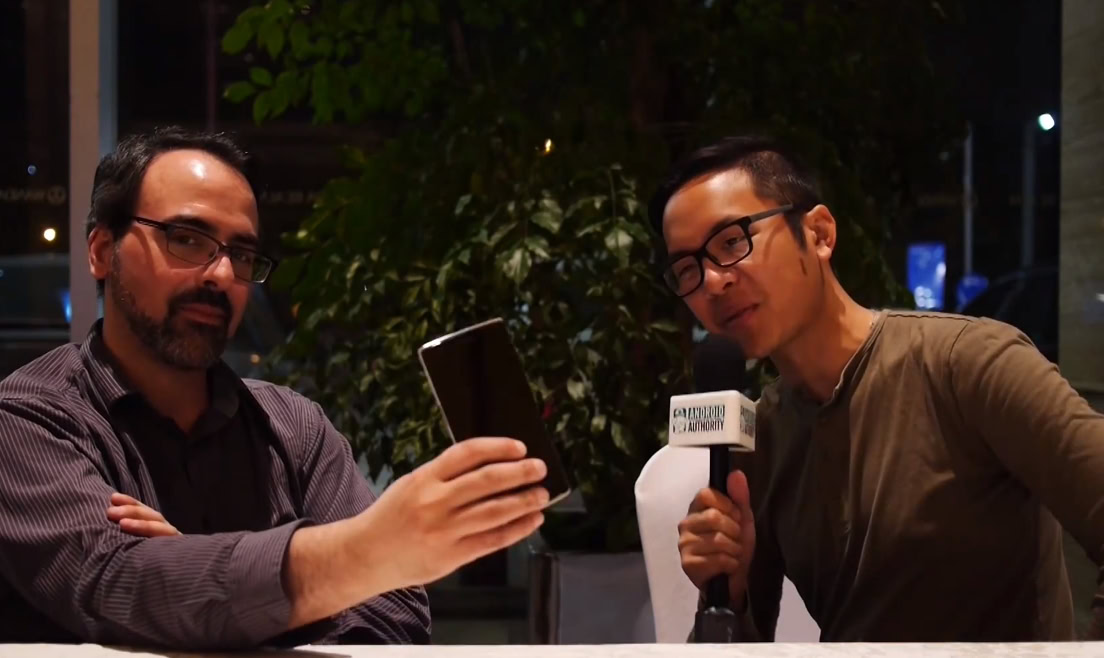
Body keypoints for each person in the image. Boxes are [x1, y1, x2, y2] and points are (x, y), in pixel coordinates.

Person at [0, 127, 550, 650]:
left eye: (241, 254)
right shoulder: (28, 418)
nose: (221, 275)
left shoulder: (294, 428)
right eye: (186, 239)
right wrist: (359, 558)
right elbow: (116, 580)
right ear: (102, 250)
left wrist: (197, 579)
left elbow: (392, 618)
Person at [651, 135, 1104, 641]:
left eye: (733, 242)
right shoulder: (763, 438)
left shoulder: (971, 365)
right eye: (687, 269)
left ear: (819, 233)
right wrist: (726, 595)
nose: (713, 282)